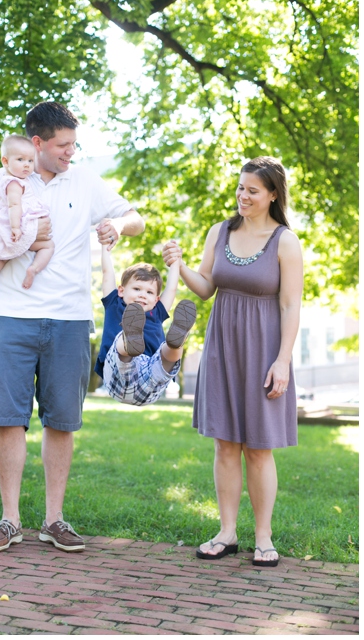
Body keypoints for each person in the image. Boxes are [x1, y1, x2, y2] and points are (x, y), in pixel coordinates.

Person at [0, 102, 145, 553]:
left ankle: (55, 520)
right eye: (63, 145)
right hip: (9, 315)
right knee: (8, 421)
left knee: (61, 422)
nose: (70, 153)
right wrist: (12, 228)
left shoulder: (83, 180)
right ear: (37, 143)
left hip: (69, 318)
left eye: (74, 145)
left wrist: (117, 226)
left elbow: (137, 218)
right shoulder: (1, 180)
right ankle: (9, 521)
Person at [162, 156, 303, 567]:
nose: (243, 196)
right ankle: (226, 533)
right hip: (223, 345)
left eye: (252, 190)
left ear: (273, 194)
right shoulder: (219, 231)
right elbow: (206, 288)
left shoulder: (285, 241)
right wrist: (180, 266)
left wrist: (283, 361)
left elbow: (291, 305)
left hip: (265, 348)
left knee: (259, 447)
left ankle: (264, 537)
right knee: (226, 444)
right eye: (240, 188)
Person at [96, 243, 197, 406]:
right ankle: (131, 341)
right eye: (137, 289)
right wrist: (105, 248)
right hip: (118, 377)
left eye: (149, 292)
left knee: (167, 353)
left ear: (157, 298)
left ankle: (176, 341)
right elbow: (107, 272)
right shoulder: (114, 303)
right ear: (121, 291)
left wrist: (175, 263)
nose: (143, 295)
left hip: (149, 377)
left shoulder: (157, 311)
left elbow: (171, 289)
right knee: (122, 343)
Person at [0, 134, 54, 299]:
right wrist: (16, 228)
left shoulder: (1, 180)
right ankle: (34, 268)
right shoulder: (15, 183)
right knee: (48, 245)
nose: (26, 165)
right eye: (20, 160)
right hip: (18, 224)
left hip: (3, 223)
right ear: (5, 161)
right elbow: (14, 205)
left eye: (30, 161)